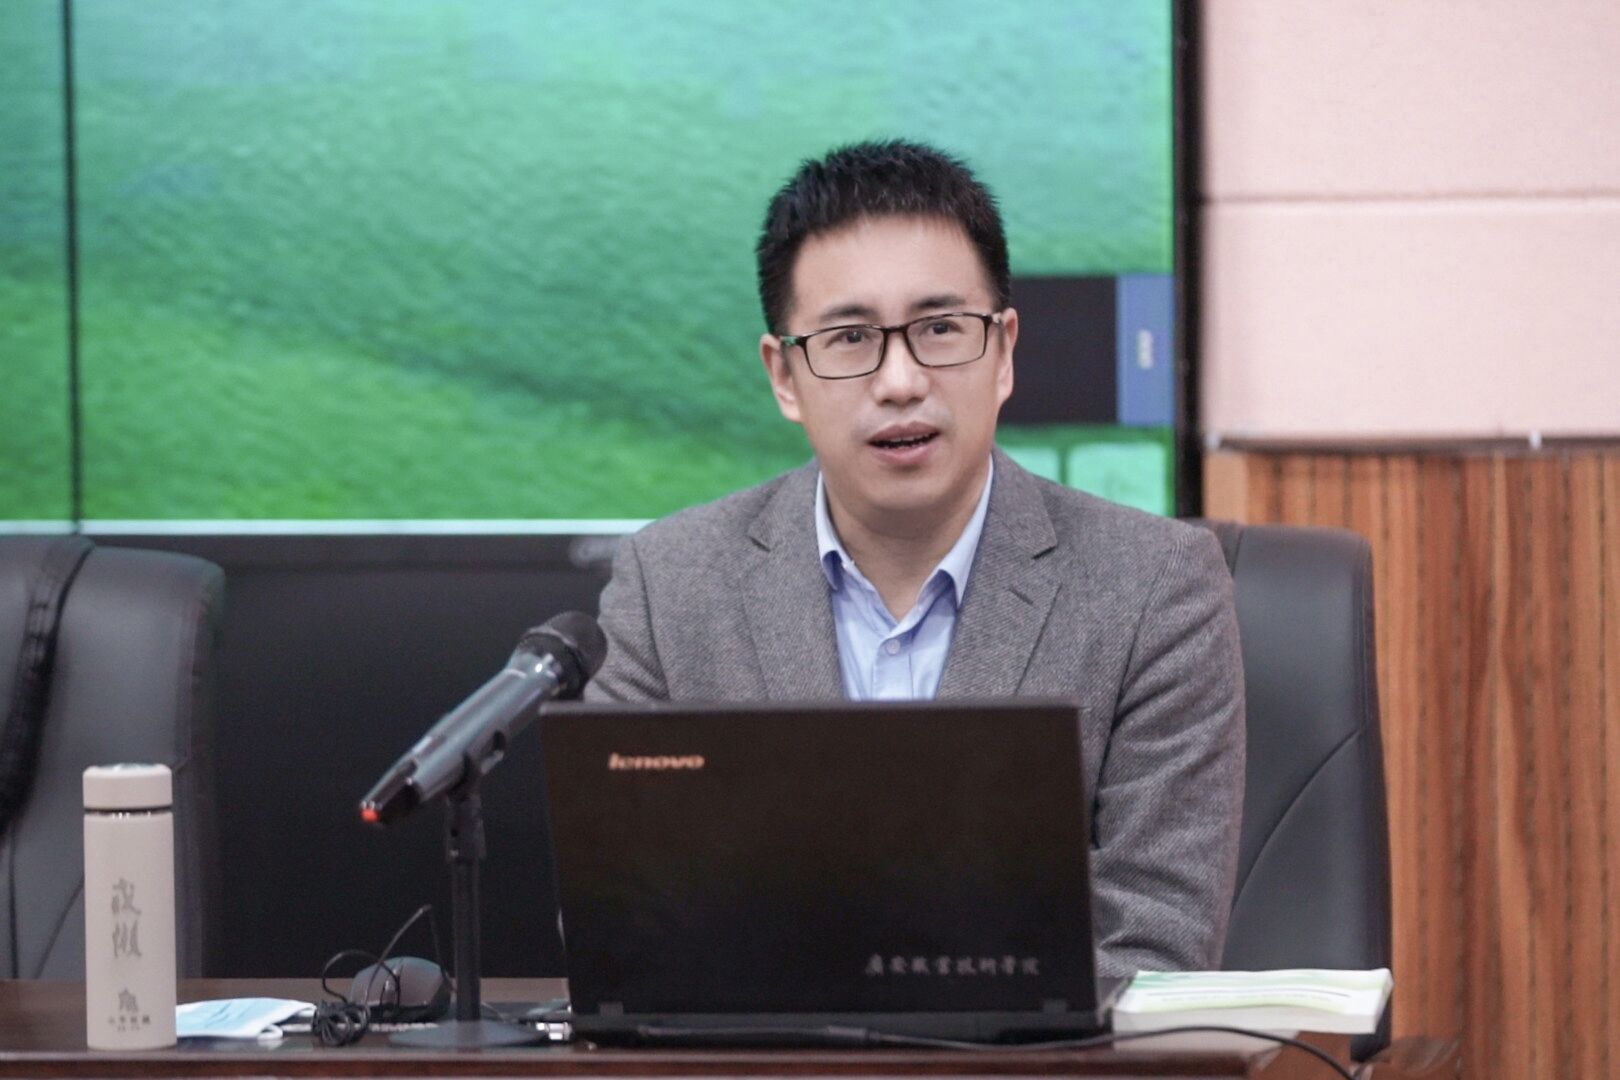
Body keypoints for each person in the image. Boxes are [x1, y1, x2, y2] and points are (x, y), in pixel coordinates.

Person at [586, 140, 1244, 975]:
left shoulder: (1155, 587)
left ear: (1003, 352)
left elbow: (1155, 946)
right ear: (784, 376)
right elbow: (621, 922)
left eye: (939, 329)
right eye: (850, 337)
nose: (900, 381)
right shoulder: (669, 585)